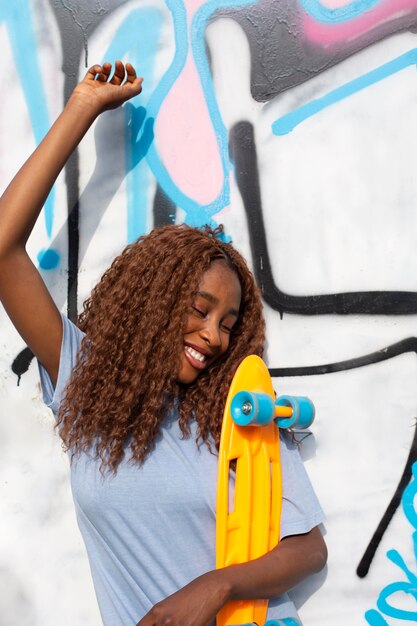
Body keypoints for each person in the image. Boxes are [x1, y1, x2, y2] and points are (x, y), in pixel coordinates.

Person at [0, 61, 327, 626]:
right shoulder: (87, 381)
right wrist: (82, 109)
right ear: (152, 304)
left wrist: (218, 586)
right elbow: (4, 251)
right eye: (201, 311)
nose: (214, 336)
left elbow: (308, 547)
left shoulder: (241, 412)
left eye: (228, 323)